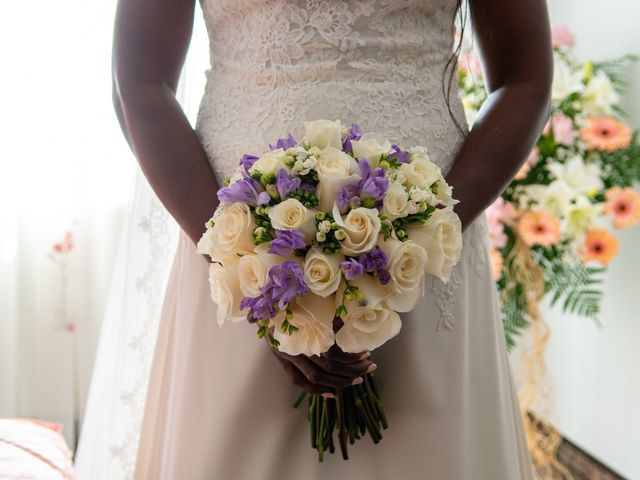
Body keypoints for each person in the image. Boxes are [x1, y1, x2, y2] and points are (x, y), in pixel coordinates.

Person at [112, 0, 552, 478]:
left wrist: (423, 232)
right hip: (233, 239)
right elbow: (140, 81)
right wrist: (242, 266)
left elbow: (524, 78)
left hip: (430, 244)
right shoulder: (236, 254)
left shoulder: (429, 232)